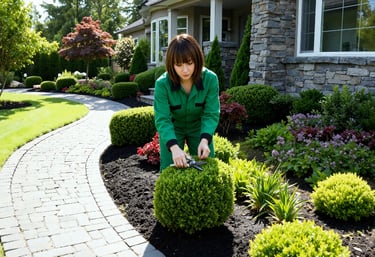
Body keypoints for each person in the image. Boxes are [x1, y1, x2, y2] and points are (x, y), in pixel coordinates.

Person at [154, 33, 220, 171]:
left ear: (197, 59)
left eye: (189, 63)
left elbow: (211, 113)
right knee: (169, 170)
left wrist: (205, 139)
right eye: (179, 65)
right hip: (173, 129)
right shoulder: (162, 84)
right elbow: (163, 119)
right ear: (171, 65)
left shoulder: (210, 79)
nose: (185, 70)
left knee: (207, 169)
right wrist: (173, 147)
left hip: (199, 128)